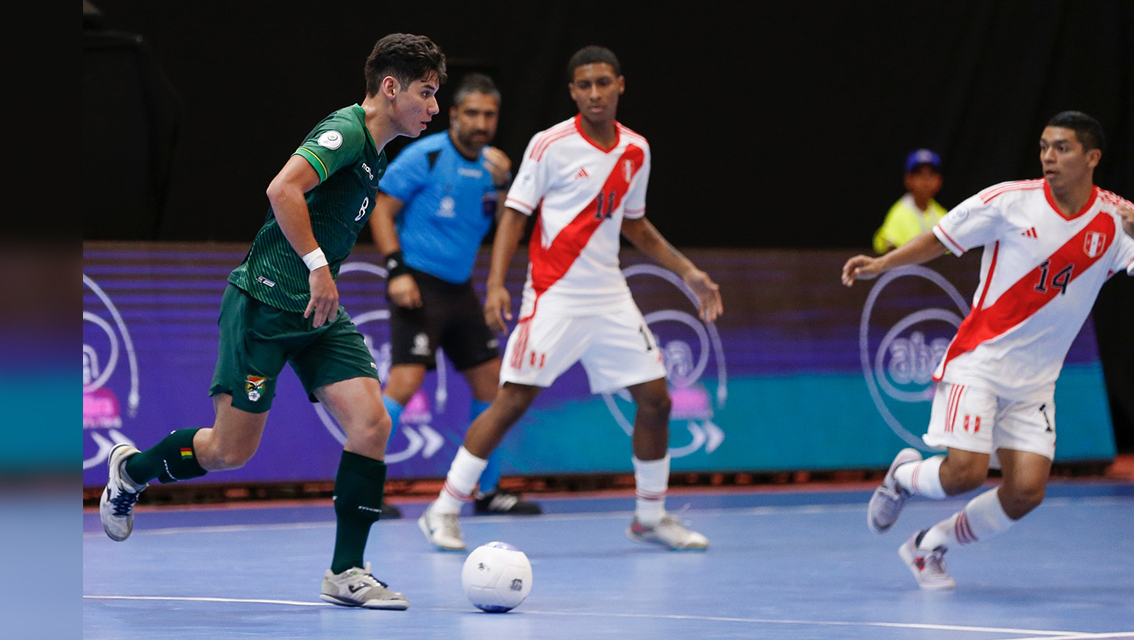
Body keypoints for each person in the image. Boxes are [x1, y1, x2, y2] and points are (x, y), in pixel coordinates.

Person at [97, 33, 449, 610]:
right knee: (229, 452)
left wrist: (320, 280)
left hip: (317, 312)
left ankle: (347, 571)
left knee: (371, 424)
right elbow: (282, 188)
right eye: (427, 93)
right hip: (265, 304)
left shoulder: (379, 149)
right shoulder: (347, 132)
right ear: (391, 88)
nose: (434, 107)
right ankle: (132, 470)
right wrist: (317, 266)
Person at [843, 110, 1134, 590]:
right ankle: (904, 477)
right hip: (979, 362)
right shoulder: (1008, 201)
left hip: (1037, 382)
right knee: (964, 474)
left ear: (1092, 157)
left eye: (1061, 148)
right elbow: (940, 240)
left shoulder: (1118, 218)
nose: (1048, 157)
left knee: (1025, 492)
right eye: (1044, 147)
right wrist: (882, 265)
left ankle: (927, 546)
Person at [418, 45, 724, 553]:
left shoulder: (636, 150)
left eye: (604, 82)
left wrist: (689, 272)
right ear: (573, 91)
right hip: (553, 295)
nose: (595, 93)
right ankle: (443, 508)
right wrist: (495, 283)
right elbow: (515, 213)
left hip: (609, 294)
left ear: (620, 85)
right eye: (584, 85)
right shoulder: (549, 144)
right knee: (512, 400)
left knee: (656, 400)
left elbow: (635, 223)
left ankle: (650, 517)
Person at [368, 73, 542, 517]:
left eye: (489, 115)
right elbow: (382, 210)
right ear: (454, 115)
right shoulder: (424, 156)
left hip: (460, 287)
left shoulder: (494, 167)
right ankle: (362, 488)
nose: (481, 123)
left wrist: (507, 187)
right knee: (405, 383)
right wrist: (396, 269)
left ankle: (486, 492)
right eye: (473, 113)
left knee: (493, 386)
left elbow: (508, 227)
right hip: (418, 283)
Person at [872, 148, 948, 254]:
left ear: (939, 180)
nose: (925, 181)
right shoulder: (898, 213)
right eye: (919, 174)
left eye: (931, 175)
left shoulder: (943, 215)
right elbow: (887, 249)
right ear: (908, 179)